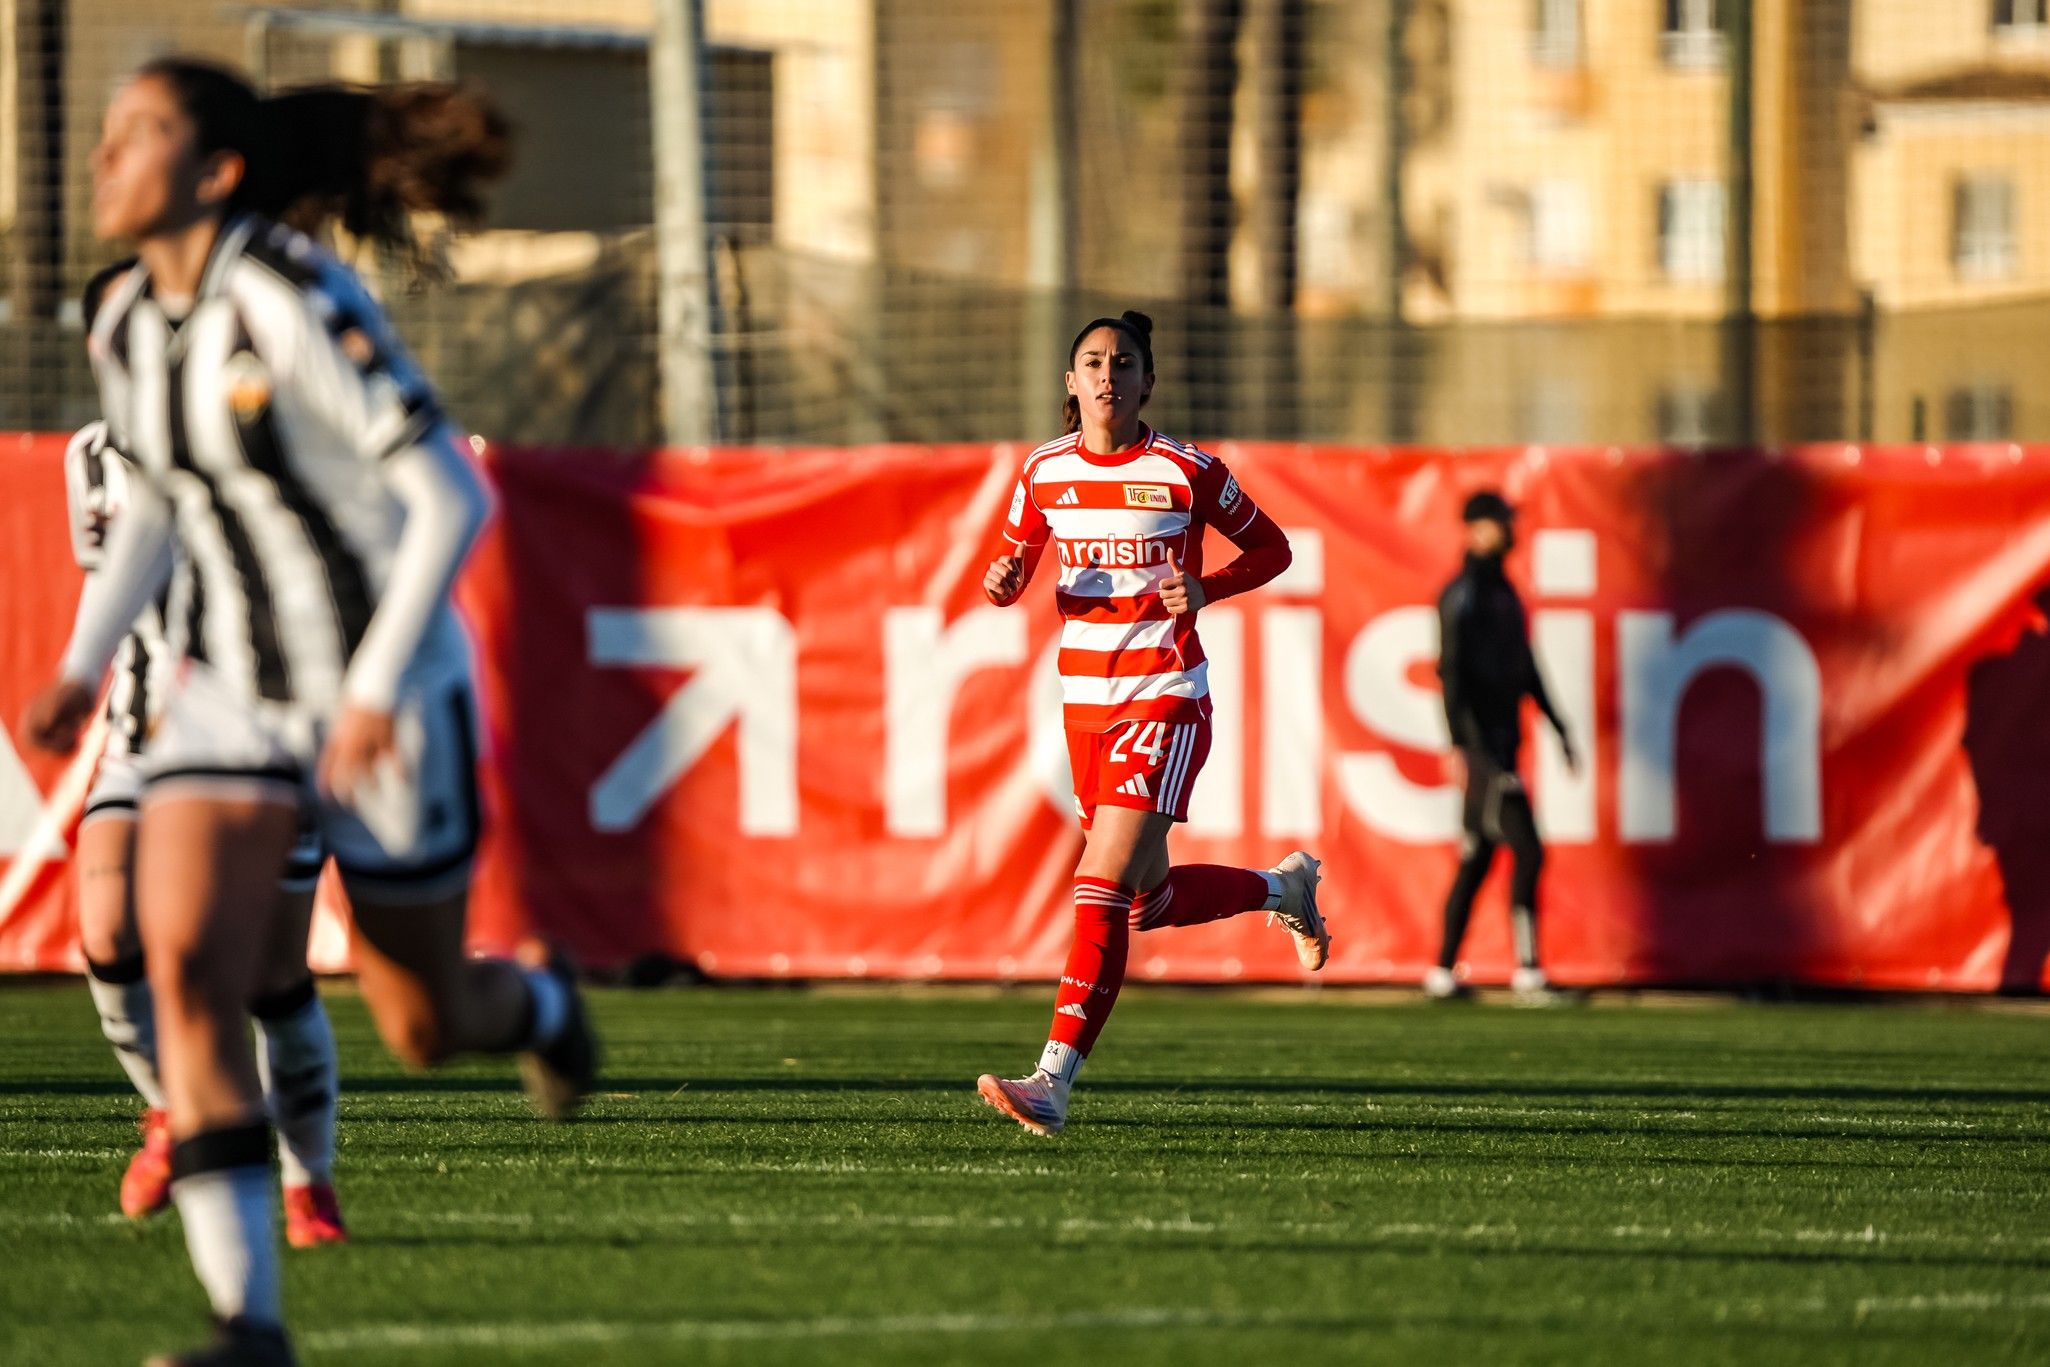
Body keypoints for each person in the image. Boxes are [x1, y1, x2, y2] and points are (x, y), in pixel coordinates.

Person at [22, 58, 596, 1366]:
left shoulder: (290, 299)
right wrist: (83, 656)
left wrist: (378, 685)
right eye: (106, 133)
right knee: (185, 967)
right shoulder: (120, 316)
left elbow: (452, 495)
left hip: (385, 688)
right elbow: (157, 502)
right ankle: (248, 1321)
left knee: (424, 1017)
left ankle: (543, 1012)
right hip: (230, 693)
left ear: (217, 173)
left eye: (138, 133)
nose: (104, 157)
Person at [974, 310, 1327, 1138]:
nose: (1107, 374)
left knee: (1096, 886)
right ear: (1070, 383)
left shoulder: (1185, 469)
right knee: (1145, 903)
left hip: (1164, 696)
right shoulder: (1043, 471)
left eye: (1122, 362)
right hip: (1084, 707)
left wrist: (1207, 588)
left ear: (1146, 382)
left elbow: (1272, 549)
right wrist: (999, 581)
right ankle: (1287, 888)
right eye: (1091, 362)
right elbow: (1014, 565)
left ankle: (1051, 1082)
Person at [67, 263, 347, 1248]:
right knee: (106, 931)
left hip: (263, 729)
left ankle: (309, 1180)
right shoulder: (91, 454)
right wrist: (77, 674)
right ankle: (169, 1109)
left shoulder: (253, 427)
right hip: (145, 734)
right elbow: (119, 584)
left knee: (273, 977)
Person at [1428, 490, 1576, 1000]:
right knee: (1528, 852)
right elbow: (1450, 672)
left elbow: (1525, 665)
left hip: (1503, 743)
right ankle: (1529, 971)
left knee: (1478, 855)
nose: (1510, 529)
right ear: (1476, 528)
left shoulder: (1504, 592)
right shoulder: (1462, 593)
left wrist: (1559, 726)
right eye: (1501, 521)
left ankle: (1442, 973)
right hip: (1483, 748)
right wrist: (1459, 747)